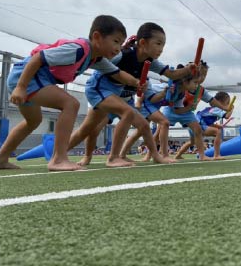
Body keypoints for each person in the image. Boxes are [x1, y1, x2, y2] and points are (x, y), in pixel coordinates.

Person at [0, 15, 136, 171]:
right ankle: (58, 159)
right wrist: (21, 87)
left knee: (33, 122)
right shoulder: (79, 49)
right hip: (27, 77)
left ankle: (0, 159)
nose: (118, 48)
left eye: (120, 43)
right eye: (115, 41)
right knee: (70, 104)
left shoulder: (96, 59)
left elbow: (117, 74)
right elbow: (38, 58)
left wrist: (136, 83)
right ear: (97, 37)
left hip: (33, 80)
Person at [70, 22, 191, 167]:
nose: (161, 49)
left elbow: (171, 74)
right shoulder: (122, 55)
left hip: (122, 97)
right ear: (143, 43)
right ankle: (108, 157)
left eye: (163, 45)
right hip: (100, 88)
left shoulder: (150, 62)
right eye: (158, 44)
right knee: (95, 128)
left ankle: (156, 156)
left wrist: (188, 70)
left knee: (144, 125)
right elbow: (101, 64)